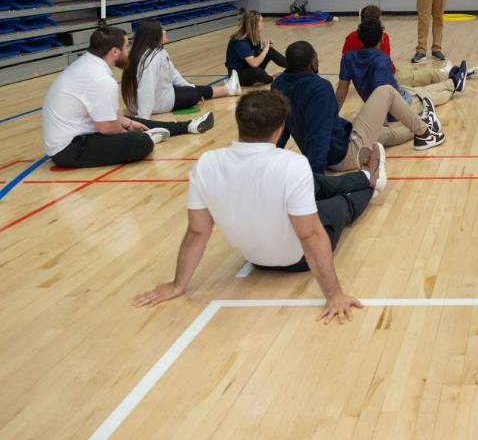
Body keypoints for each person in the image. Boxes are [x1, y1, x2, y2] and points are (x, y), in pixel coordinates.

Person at [133, 90, 380, 324]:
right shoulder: (293, 164)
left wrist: (178, 285)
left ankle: (362, 176)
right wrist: (334, 294)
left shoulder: (206, 163)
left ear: (239, 123)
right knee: (339, 204)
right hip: (297, 261)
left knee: (315, 195)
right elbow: (311, 234)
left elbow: (197, 232)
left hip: (256, 259)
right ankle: (372, 182)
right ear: (279, 129)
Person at [42, 27, 215, 168]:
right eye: (126, 47)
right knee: (141, 143)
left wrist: (129, 123)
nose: (129, 51)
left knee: (130, 120)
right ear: (115, 51)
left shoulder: (86, 64)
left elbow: (103, 116)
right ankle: (149, 137)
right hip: (69, 150)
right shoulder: (100, 79)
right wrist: (128, 133)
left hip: (77, 136)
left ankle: (187, 126)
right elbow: (106, 127)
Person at [272, 40, 444, 171]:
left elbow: (281, 127)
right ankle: (425, 132)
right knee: (386, 91)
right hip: (343, 155)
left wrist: (270, 157)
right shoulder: (320, 88)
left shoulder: (278, 84)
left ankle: (422, 123)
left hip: (327, 152)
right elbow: (320, 134)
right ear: (312, 63)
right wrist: (316, 179)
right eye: (316, 58)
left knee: (383, 134)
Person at [338, 19, 465, 112]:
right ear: (381, 39)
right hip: (398, 106)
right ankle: (454, 85)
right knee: (428, 97)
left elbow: (341, 91)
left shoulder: (348, 58)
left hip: (394, 96)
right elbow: (384, 100)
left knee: (420, 91)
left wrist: (333, 117)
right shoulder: (381, 60)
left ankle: (453, 81)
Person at [122, 18, 240, 118]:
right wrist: (143, 117)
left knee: (190, 89)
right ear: (154, 35)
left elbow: (173, 75)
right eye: (161, 29)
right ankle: (228, 89)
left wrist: (190, 87)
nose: (165, 31)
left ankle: (228, 89)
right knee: (192, 93)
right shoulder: (153, 57)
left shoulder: (145, 52)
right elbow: (145, 88)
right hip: (154, 104)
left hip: (142, 102)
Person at [341, 6, 478, 88]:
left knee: (414, 67)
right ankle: (455, 77)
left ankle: (448, 71)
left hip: (367, 79)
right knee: (428, 75)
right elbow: (383, 65)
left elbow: (346, 63)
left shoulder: (350, 37)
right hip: (387, 78)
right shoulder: (382, 37)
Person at [225, 11, 288, 86]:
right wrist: (265, 49)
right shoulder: (240, 41)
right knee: (258, 72)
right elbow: (254, 64)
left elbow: (256, 56)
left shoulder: (254, 36)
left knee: (269, 51)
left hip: (249, 69)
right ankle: (272, 78)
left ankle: (295, 67)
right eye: (261, 22)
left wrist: (265, 49)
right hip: (238, 74)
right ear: (254, 25)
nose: (263, 24)